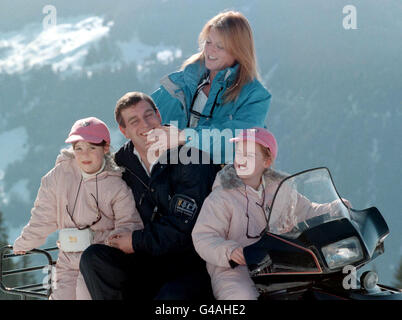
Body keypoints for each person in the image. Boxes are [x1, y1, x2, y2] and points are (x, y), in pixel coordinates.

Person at [79, 92, 219, 300]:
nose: (145, 125)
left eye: (149, 115)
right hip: (145, 261)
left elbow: (185, 229)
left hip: (191, 262)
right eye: (134, 121)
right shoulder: (120, 167)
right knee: (94, 258)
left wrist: (135, 241)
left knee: (169, 297)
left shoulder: (192, 159)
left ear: (159, 115)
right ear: (124, 130)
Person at [192, 128, 349, 300]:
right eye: (238, 153)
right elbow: (204, 237)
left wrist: (333, 208)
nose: (241, 160)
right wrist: (230, 251)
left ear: (267, 161)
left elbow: (307, 210)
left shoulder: (281, 189)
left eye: (250, 156)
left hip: (280, 264)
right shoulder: (222, 196)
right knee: (241, 297)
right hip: (236, 270)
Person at [13, 117, 143, 300]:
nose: (85, 155)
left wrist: (108, 245)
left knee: (86, 294)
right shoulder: (60, 175)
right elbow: (44, 214)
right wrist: (26, 242)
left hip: (94, 260)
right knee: (61, 296)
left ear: (105, 148)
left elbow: (128, 224)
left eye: (92, 148)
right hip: (67, 258)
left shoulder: (116, 186)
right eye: (79, 148)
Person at [149, 10, 272, 164]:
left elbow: (237, 139)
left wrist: (184, 136)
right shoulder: (181, 82)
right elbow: (145, 115)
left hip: (221, 181)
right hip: (170, 174)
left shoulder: (254, 96)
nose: (210, 50)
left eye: (220, 46)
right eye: (208, 42)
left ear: (238, 51)